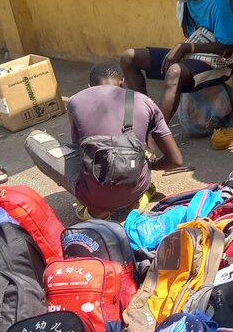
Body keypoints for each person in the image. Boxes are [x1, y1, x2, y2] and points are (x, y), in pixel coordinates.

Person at [25, 61, 183, 218]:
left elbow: (80, 152)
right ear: (121, 82)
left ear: (89, 87)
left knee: (34, 139)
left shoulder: (75, 101)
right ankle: (133, 201)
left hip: (94, 196)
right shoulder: (144, 101)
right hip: (136, 187)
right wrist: (150, 164)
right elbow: (176, 160)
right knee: (138, 153)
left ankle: (98, 211)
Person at [120, 0, 233, 123]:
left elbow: (227, 48)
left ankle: (156, 134)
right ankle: (140, 121)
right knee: (128, 58)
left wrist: (186, 47)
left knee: (174, 72)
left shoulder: (217, 2)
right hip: (194, 52)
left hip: (221, 61)